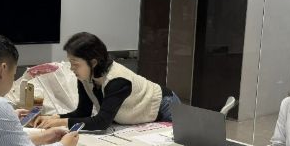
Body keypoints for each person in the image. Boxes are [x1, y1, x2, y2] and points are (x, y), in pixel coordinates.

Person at [33, 32, 180, 130]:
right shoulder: (85, 77)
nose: (71, 69)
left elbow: (102, 122)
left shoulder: (117, 80)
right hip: (140, 114)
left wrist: (60, 122)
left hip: (164, 105)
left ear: (93, 62)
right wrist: (54, 117)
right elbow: (83, 111)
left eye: (75, 64)